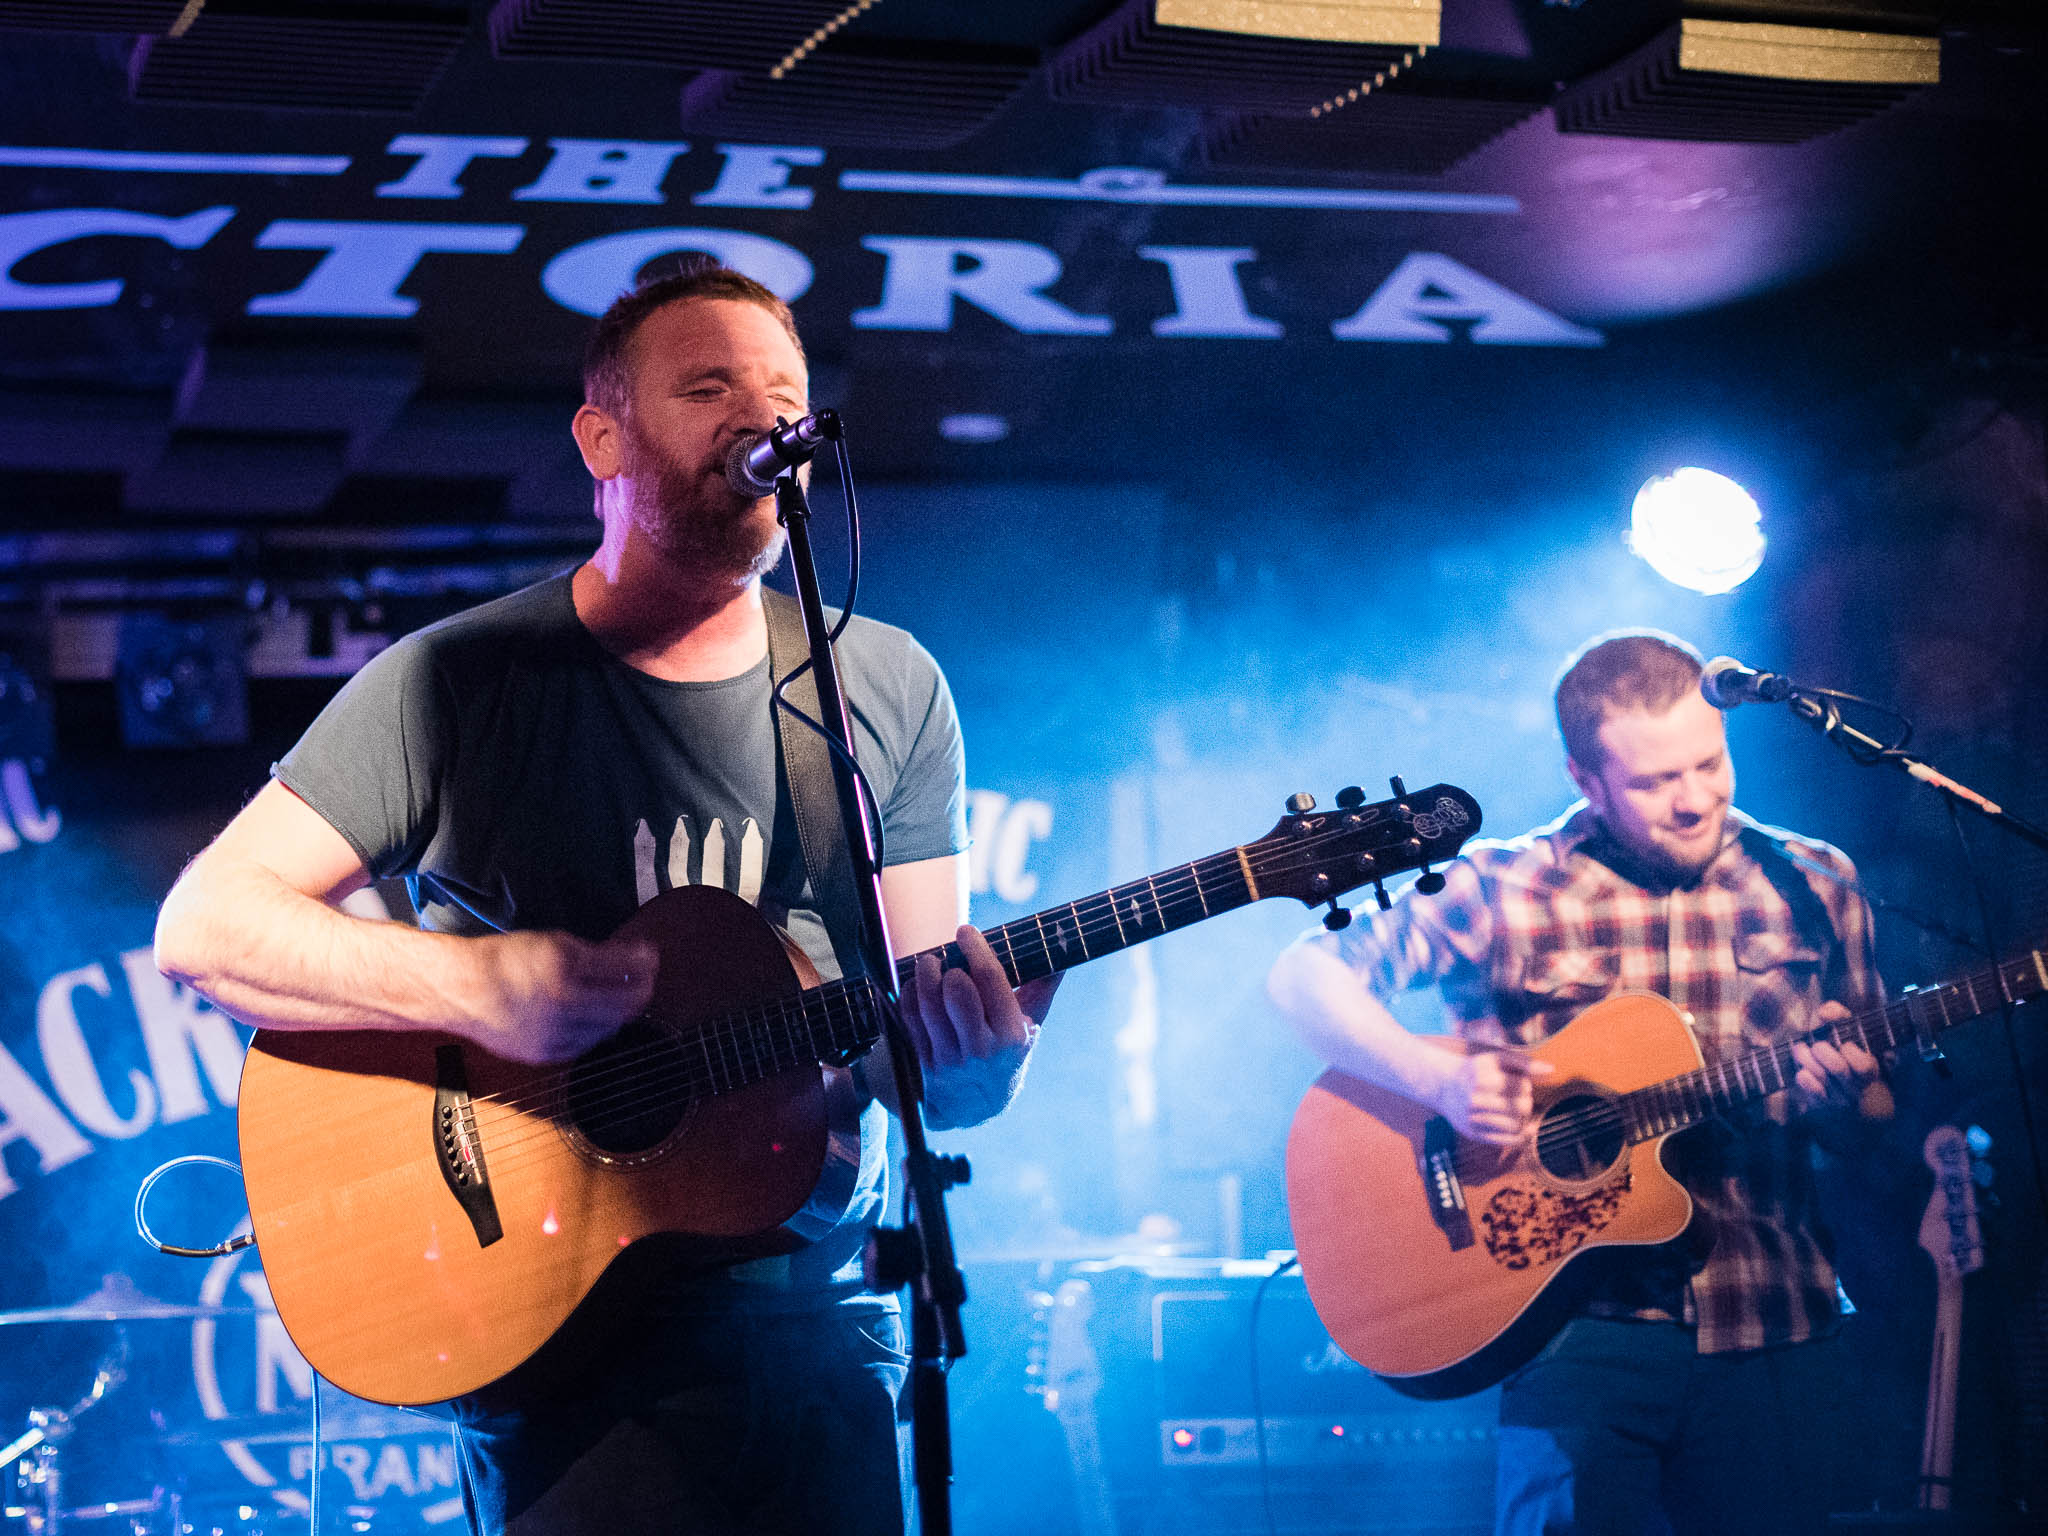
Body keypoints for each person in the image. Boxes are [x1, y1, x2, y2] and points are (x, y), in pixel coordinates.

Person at [153, 258, 1058, 1536]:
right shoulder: (459, 682)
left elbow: (908, 1038)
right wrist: (474, 987)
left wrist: (969, 1077)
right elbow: (205, 927)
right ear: (602, 439)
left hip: (817, 1320)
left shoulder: (888, 685)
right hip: (559, 1334)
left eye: (784, 392)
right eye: (708, 388)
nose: (761, 418)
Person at [1266, 631, 1890, 1536]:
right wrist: (1434, 1077)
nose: (1695, 800)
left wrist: (1849, 1100)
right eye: (1653, 783)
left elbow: (1874, 1117)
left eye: (1710, 765)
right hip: (1575, 1331)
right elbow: (1304, 975)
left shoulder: (1817, 882)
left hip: (1773, 1321)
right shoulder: (1501, 887)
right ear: (1584, 778)